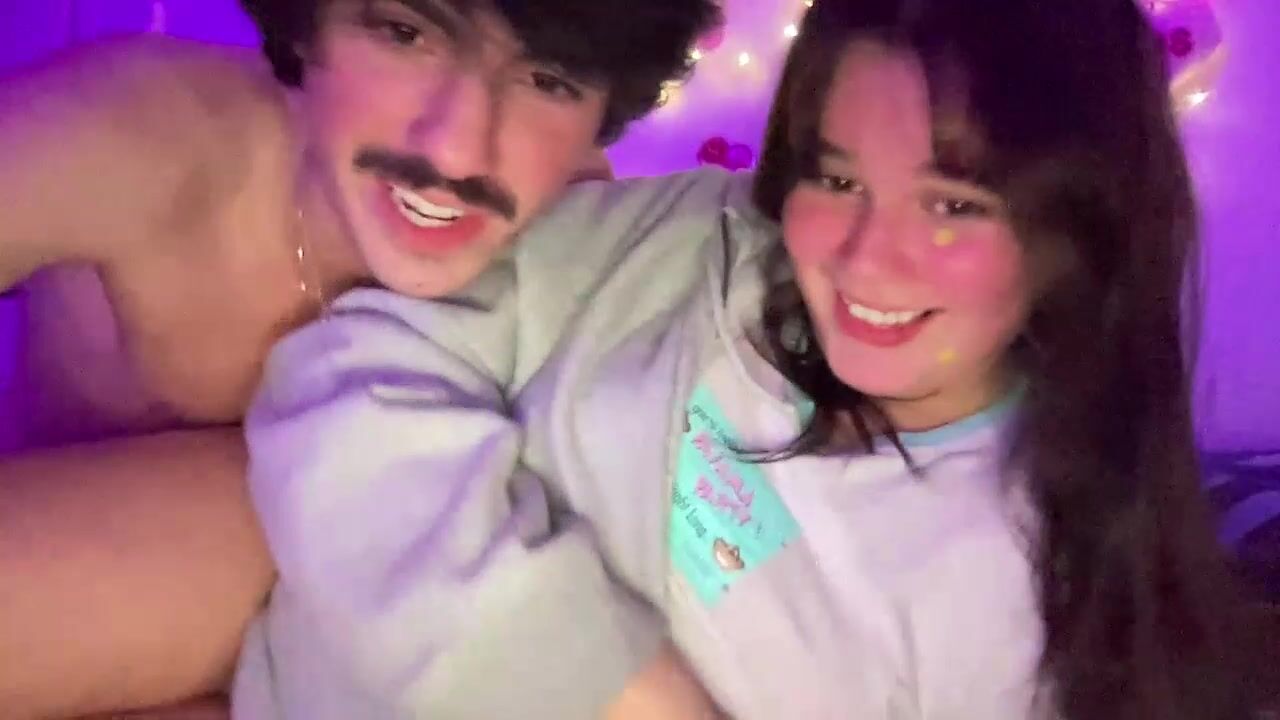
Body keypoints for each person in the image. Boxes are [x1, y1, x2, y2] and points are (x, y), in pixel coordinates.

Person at [243, 0, 1272, 716]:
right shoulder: (699, 247)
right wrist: (606, 683)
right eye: (837, 179)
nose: (864, 258)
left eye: (953, 204)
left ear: (1078, 230)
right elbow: (344, 378)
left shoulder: (1021, 610)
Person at [0, 0, 721, 717]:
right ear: (306, 26)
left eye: (548, 79)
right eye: (405, 34)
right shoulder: (149, 132)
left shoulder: (581, 236)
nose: (456, 151)